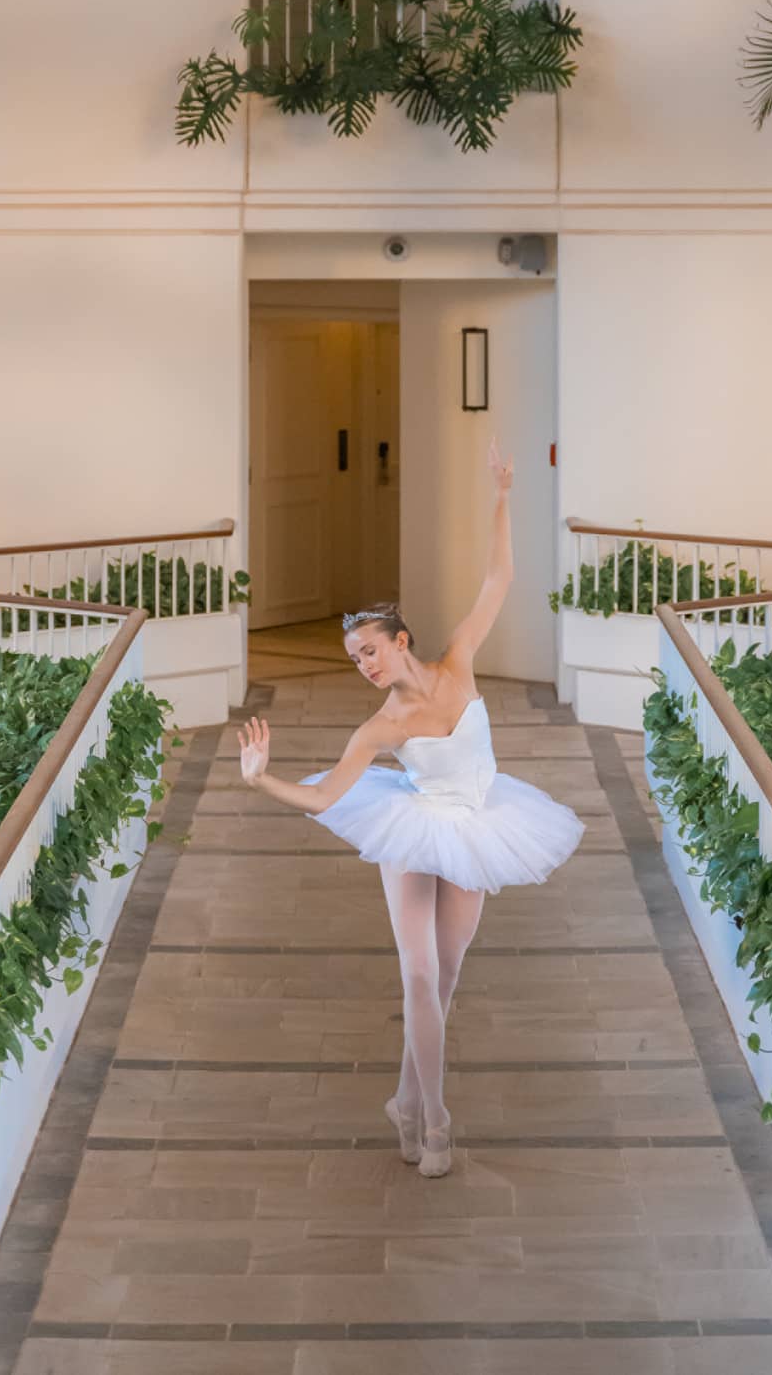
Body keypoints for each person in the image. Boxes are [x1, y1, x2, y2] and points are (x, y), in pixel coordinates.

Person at [236, 439, 586, 1177]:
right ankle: (435, 1122)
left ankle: (402, 1098)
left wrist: (502, 492)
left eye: (370, 649)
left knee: (449, 974)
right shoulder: (381, 728)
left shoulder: (458, 661)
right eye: (354, 657)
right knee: (419, 977)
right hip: (413, 824)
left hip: (481, 823)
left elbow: (501, 577)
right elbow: (328, 795)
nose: (363, 665)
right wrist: (261, 779)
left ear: (402, 641)